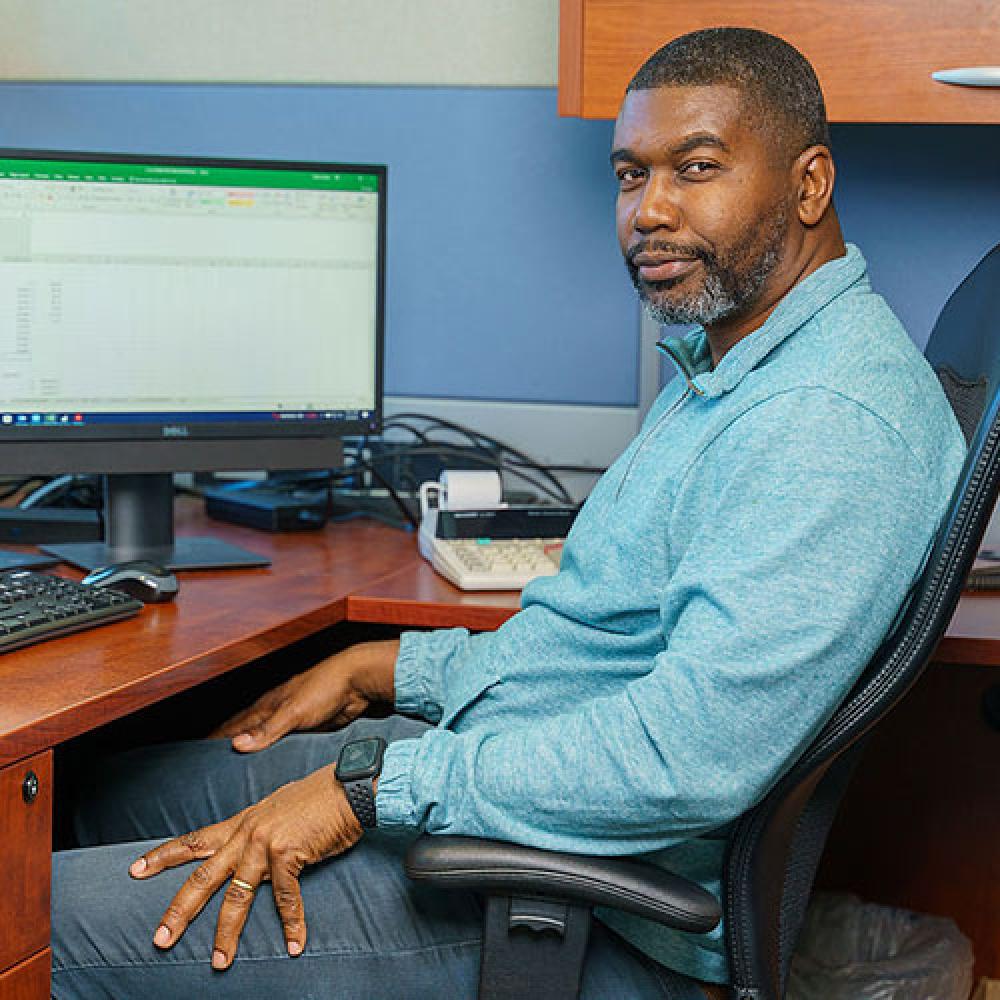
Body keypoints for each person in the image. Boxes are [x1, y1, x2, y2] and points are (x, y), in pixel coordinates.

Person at [51, 27, 966, 1000]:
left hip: (583, 911)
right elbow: (594, 644)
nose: (647, 211)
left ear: (807, 184)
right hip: (511, 787)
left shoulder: (824, 421)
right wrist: (395, 665)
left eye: (695, 168)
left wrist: (369, 791)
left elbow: (685, 756)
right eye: (628, 175)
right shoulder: (734, 371)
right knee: (91, 798)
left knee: (34, 919)